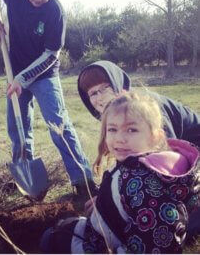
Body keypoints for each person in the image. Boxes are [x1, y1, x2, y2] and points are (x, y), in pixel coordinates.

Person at [0, 0, 95, 195]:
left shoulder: (55, 11)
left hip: (44, 76)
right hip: (15, 71)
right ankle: (25, 178)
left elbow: (52, 55)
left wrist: (22, 80)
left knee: (59, 126)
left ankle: (82, 180)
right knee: (18, 127)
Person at [40, 92, 200, 253]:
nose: (119, 138)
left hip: (111, 244)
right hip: (108, 228)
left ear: (155, 138)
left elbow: (157, 245)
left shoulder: (147, 185)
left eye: (131, 130)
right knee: (57, 232)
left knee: (50, 242)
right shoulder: (133, 164)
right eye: (112, 129)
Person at [78, 60, 200, 235]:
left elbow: (166, 164)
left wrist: (112, 201)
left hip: (191, 158)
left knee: (177, 221)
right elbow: (130, 158)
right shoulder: (119, 111)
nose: (99, 98)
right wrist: (107, 196)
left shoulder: (143, 108)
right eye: (92, 93)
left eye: (104, 88)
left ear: (117, 83)